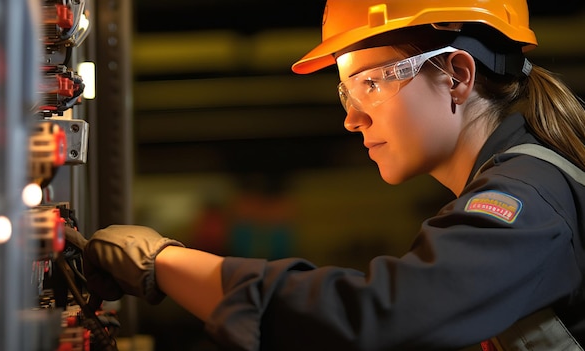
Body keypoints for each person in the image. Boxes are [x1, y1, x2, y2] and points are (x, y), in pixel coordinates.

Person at [69, 0, 585, 350]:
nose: (352, 117)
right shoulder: (525, 184)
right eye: (347, 93)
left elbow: (379, 316)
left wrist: (165, 263)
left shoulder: (529, 201)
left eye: (370, 86)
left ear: (456, 75)